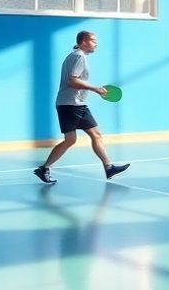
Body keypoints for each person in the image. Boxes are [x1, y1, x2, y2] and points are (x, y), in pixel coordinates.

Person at [33, 31, 129, 184]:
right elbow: (72, 81)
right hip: (71, 104)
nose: (96, 43)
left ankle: (108, 167)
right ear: (84, 41)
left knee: (90, 135)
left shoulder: (75, 56)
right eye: (93, 40)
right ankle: (44, 168)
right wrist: (95, 88)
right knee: (72, 140)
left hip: (75, 104)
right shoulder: (79, 57)